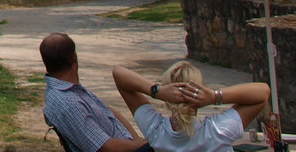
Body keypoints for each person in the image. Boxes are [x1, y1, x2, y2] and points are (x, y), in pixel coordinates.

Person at [111, 61, 270, 152]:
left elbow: (119, 74)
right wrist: (214, 96)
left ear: (168, 98)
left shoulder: (156, 130)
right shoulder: (218, 130)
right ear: (202, 90)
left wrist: (157, 91)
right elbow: (262, 92)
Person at [40, 32, 150, 152]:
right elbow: (106, 147)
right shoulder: (67, 103)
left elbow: (109, 113)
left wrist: (140, 142)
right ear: (74, 57)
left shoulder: (70, 90)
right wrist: (151, 146)